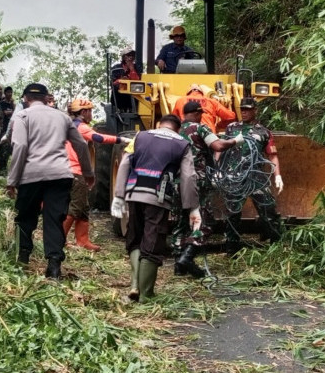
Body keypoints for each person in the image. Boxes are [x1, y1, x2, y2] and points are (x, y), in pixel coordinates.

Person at [6, 83, 94, 279]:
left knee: (25, 217)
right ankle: (53, 266)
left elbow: (20, 146)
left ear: (25, 99)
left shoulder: (23, 116)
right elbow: (80, 144)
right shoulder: (62, 117)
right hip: (60, 175)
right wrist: (88, 173)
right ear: (47, 99)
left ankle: (23, 259)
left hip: (31, 175)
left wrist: (12, 180)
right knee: (54, 218)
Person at [112, 114, 199, 302]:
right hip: (157, 199)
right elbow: (189, 177)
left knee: (134, 239)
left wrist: (119, 195)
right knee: (152, 243)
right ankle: (146, 295)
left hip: (134, 195)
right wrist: (192, 208)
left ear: (159, 125)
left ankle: (135, 285)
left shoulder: (140, 136)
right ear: (178, 129)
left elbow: (125, 163)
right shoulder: (182, 144)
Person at [172, 101, 244, 277]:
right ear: (197, 113)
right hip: (197, 181)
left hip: (177, 182)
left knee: (181, 221)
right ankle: (187, 257)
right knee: (205, 221)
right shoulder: (200, 129)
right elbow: (218, 146)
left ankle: (178, 266)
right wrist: (235, 140)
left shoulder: (175, 131)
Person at [63, 98, 130, 251]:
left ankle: (83, 240)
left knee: (83, 207)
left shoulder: (70, 125)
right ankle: (60, 239)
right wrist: (121, 139)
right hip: (76, 171)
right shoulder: (81, 127)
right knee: (75, 207)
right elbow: (98, 138)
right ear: (84, 112)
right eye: (90, 111)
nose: (91, 114)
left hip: (70, 170)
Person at [223, 97, 284, 255]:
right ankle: (232, 246)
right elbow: (221, 149)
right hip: (235, 176)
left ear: (255, 110)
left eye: (248, 109)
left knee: (268, 209)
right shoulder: (231, 128)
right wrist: (218, 168)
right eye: (242, 108)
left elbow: (273, 155)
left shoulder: (263, 132)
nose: (244, 111)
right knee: (233, 212)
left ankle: (275, 242)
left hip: (256, 176)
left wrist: (277, 176)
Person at [172, 84, 236, 133]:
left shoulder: (180, 101)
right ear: (202, 93)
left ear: (188, 93)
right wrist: (218, 126)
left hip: (187, 135)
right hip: (209, 135)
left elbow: (173, 121)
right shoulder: (211, 101)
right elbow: (230, 116)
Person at [0, 86, 15, 172]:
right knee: (4, 147)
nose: (10, 94)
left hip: (11, 129)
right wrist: (11, 112)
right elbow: (5, 113)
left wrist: (12, 106)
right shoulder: (2, 103)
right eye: (8, 92)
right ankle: (2, 167)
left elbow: (16, 113)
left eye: (11, 92)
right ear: (5, 93)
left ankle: (6, 167)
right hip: (4, 128)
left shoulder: (12, 104)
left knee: (10, 148)